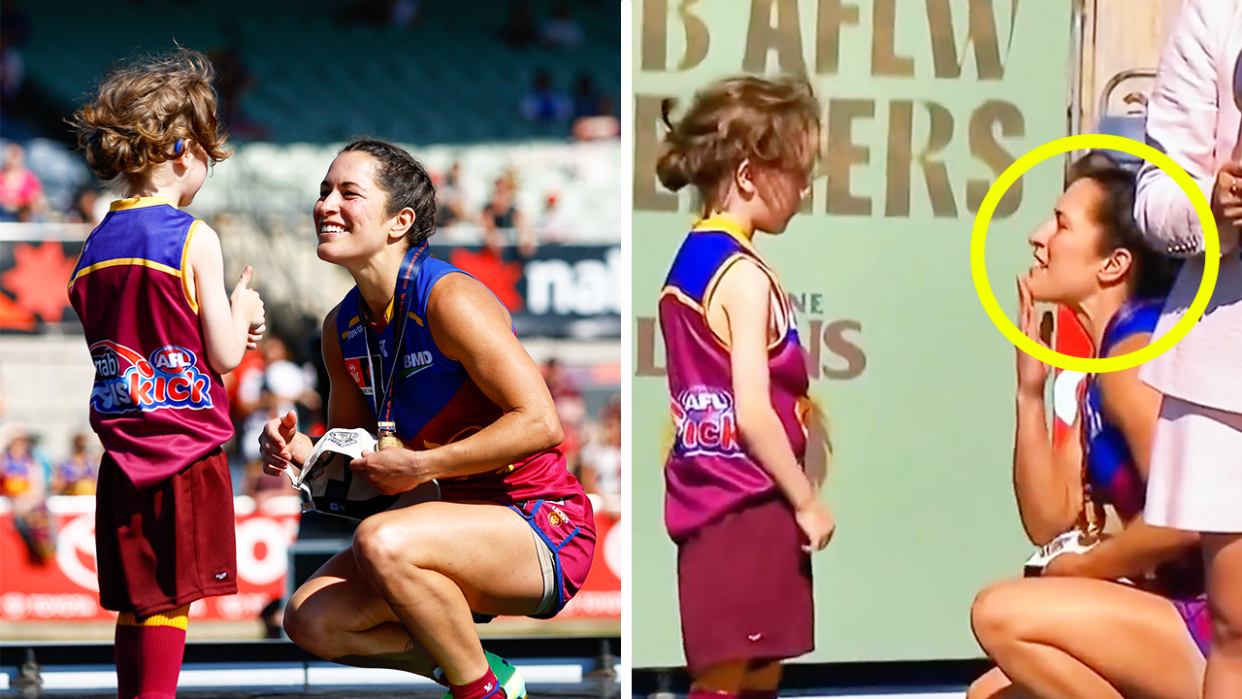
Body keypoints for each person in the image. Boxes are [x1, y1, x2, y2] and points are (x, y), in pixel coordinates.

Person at [260, 139, 596, 699]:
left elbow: (542, 424)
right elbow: (358, 457)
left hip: (541, 524)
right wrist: (301, 455)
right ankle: (481, 673)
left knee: (382, 541)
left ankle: (479, 691)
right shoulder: (337, 329)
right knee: (308, 619)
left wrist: (422, 464)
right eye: (323, 192)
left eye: (348, 192)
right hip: (441, 525)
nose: (325, 205)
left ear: (400, 222)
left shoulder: (449, 298)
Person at [67, 48, 266, 699]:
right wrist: (240, 311)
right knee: (170, 603)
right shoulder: (191, 236)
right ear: (186, 152)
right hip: (183, 450)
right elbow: (226, 354)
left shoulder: (94, 244)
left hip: (121, 452)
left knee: (136, 601)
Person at [968, 153, 1203, 699]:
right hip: (1174, 606)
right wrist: (1030, 393)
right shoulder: (1099, 366)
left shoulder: (1133, 357)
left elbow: (1187, 518)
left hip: (1212, 620)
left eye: (1061, 223)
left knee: (1000, 613)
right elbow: (1049, 522)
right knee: (990, 694)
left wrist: (1085, 569)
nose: (1037, 237)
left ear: (1113, 265)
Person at [654, 75, 835, 699]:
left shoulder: (690, 260)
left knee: (756, 671)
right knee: (730, 678)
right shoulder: (744, 275)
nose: (806, 188)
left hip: (709, 499)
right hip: (747, 503)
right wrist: (806, 501)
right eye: (799, 169)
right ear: (750, 173)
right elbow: (753, 413)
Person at [1132, 3, 1242, 698]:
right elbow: (1156, 200)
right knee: (1237, 622)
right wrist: (1215, 201)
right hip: (1228, 360)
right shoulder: (1217, 14)